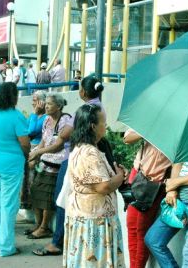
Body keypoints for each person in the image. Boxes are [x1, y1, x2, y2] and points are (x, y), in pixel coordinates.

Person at [31, 75, 106, 257]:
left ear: (83, 92)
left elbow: (65, 135)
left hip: (76, 155)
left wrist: (38, 152)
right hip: (87, 154)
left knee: (62, 198)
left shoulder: (86, 109)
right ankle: (64, 239)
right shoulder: (99, 107)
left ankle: (57, 241)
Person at [63, 103, 127, 268]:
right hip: (93, 222)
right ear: (93, 126)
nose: (105, 126)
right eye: (103, 122)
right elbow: (103, 186)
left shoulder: (83, 148)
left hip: (88, 218)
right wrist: (119, 177)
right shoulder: (89, 152)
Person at [0, 82, 30, 257]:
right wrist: (26, 154)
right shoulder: (16, 116)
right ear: (14, 96)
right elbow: (24, 143)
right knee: (8, 205)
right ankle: (5, 247)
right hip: (11, 164)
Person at [144, 162, 188, 268]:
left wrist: (175, 182)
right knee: (153, 239)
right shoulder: (185, 146)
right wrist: (171, 189)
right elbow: (178, 163)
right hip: (178, 202)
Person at [124, 128, 171, 268]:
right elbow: (127, 138)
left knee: (142, 229)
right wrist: (149, 130)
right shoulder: (150, 120)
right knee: (131, 225)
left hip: (156, 183)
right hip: (137, 176)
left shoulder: (176, 127)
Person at [26, 93, 70, 239]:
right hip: (44, 163)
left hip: (56, 164)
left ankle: (44, 227)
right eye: (46, 103)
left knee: (47, 197)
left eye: (50, 104)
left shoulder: (65, 120)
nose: (46, 106)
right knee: (35, 191)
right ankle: (38, 224)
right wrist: (35, 154)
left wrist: (38, 152)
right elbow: (43, 141)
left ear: (58, 106)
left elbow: (58, 146)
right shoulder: (47, 120)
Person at [21, 91, 47, 210]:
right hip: (29, 148)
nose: (33, 102)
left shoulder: (45, 117)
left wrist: (34, 113)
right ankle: (26, 202)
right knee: (26, 178)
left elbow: (31, 131)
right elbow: (25, 130)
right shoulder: (35, 116)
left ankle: (33, 204)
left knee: (32, 178)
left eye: (35, 100)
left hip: (38, 149)